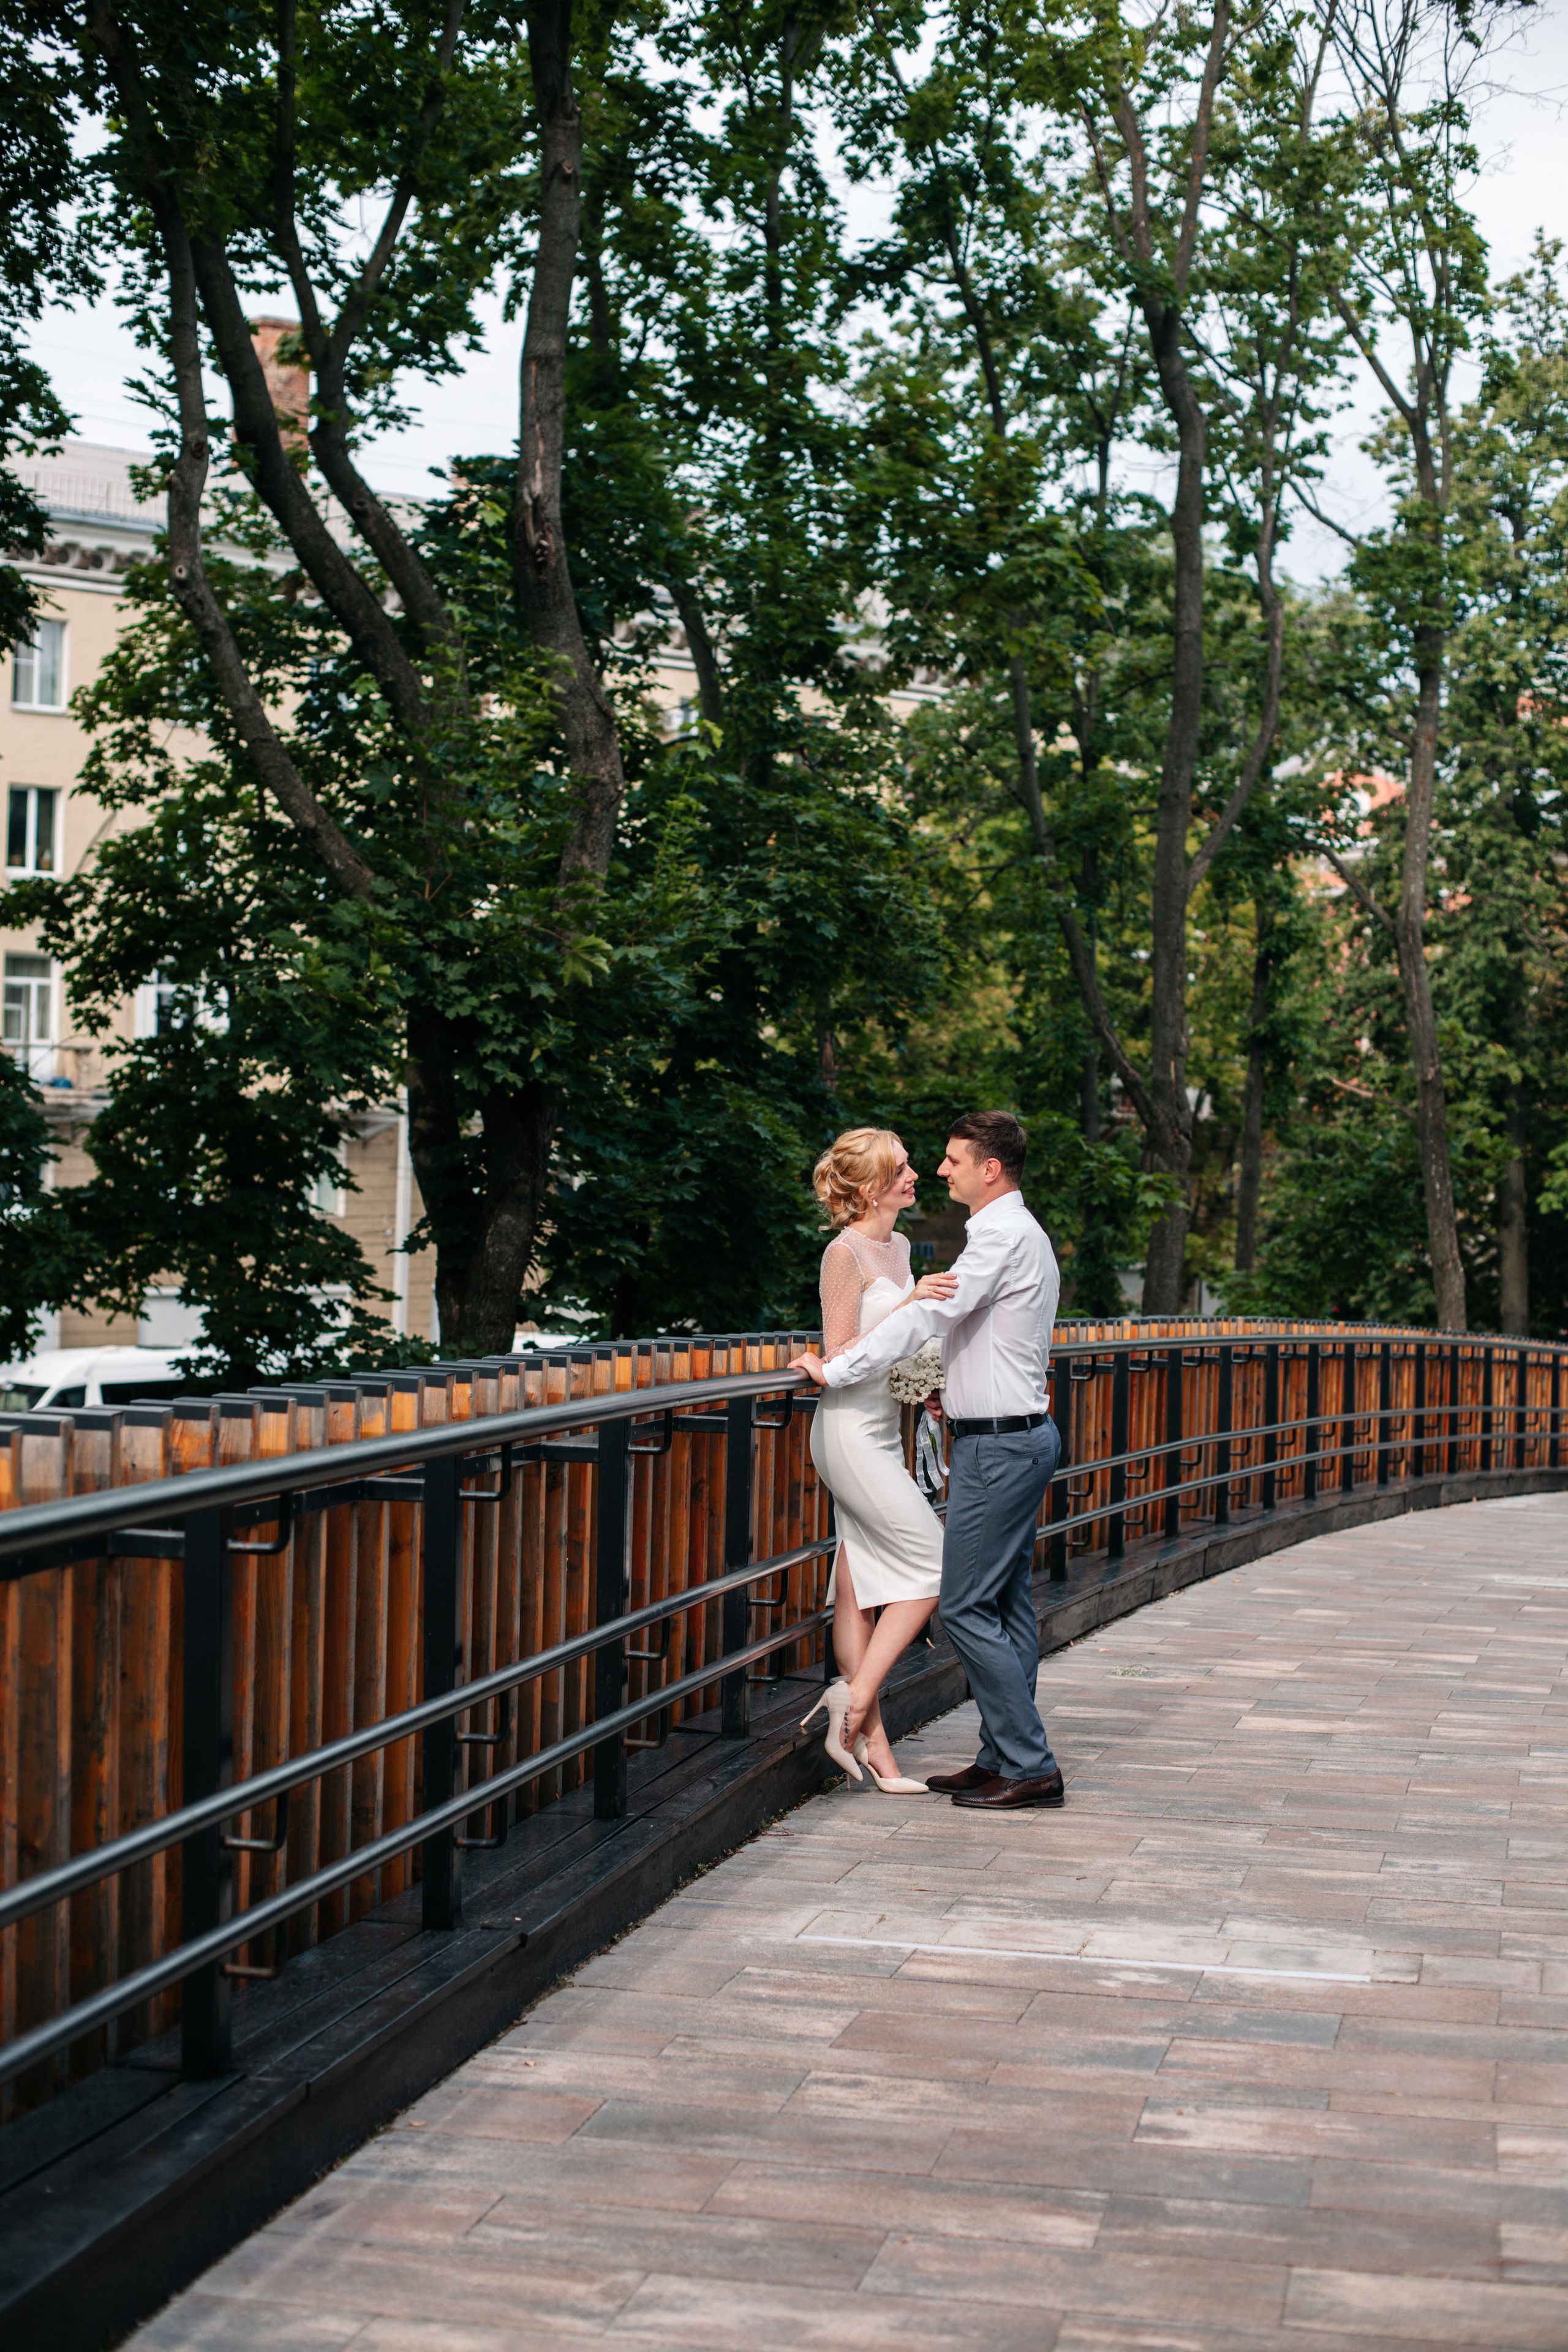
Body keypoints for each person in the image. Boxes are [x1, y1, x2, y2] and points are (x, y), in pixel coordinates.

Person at [792, 1110, 1065, 1811]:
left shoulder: (998, 1236)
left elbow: (926, 1320)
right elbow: (952, 1332)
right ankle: (1002, 1755)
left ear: (989, 1169)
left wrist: (834, 1366)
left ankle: (1025, 1762)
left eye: (950, 1160)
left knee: (967, 1601)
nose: (939, 1171)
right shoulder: (1009, 1233)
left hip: (999, 1443)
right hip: (994, 1436)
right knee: (1002, 1603)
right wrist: (938, 1384)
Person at [799, 1126, 959, 1793]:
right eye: (899, 1168)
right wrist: (911, 1303)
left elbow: (898, 1346)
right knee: (934, 1563)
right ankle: (854, 1699)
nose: (914, 1173)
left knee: (857, 1587)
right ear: (868, 1187)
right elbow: (837, 1355)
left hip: (885, 1430)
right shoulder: (845, 1254)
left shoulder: (897, 1246)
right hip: (847, 1433)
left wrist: (926, 1386)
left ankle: (881, 1758)